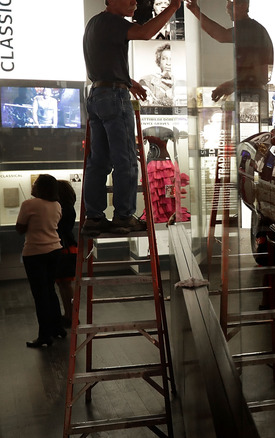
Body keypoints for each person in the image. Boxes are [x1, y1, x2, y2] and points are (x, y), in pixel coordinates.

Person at [81, 0, 182, 237]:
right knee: (125, 159)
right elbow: (145, 33)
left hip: (97, 94)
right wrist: (173, 7)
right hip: (114, 96)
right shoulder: (114, 22)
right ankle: (124, 216)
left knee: (99, 161)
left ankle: (94, 217)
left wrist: (128, 81)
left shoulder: (95, 23)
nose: (134, 2)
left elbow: (105, 63)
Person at [185, 0, 274, 119]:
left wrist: (195, 10)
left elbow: (220, 35)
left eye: (232, 2)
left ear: (244, 5)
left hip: (252, 95)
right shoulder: (252, 28)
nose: (227, 7)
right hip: (252, 94)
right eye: (227, 2)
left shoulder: (250, 28)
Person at [16, 174, 66, 348]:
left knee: (40, 295)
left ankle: (44, 335)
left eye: (36, 183)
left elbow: (20, 228)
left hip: (35, 252)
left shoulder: (29, 204)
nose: (33, 185)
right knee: (50, 290)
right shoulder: (57, 205)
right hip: (55, 249)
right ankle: (57, 328)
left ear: (41, 187)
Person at [55, 180, 78, 326]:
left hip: (65, 248)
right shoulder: (68, 207)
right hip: (67, 247)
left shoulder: (64, 209)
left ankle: (72, 315)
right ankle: (69, 314)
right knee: (63, 284)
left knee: (66, 284)